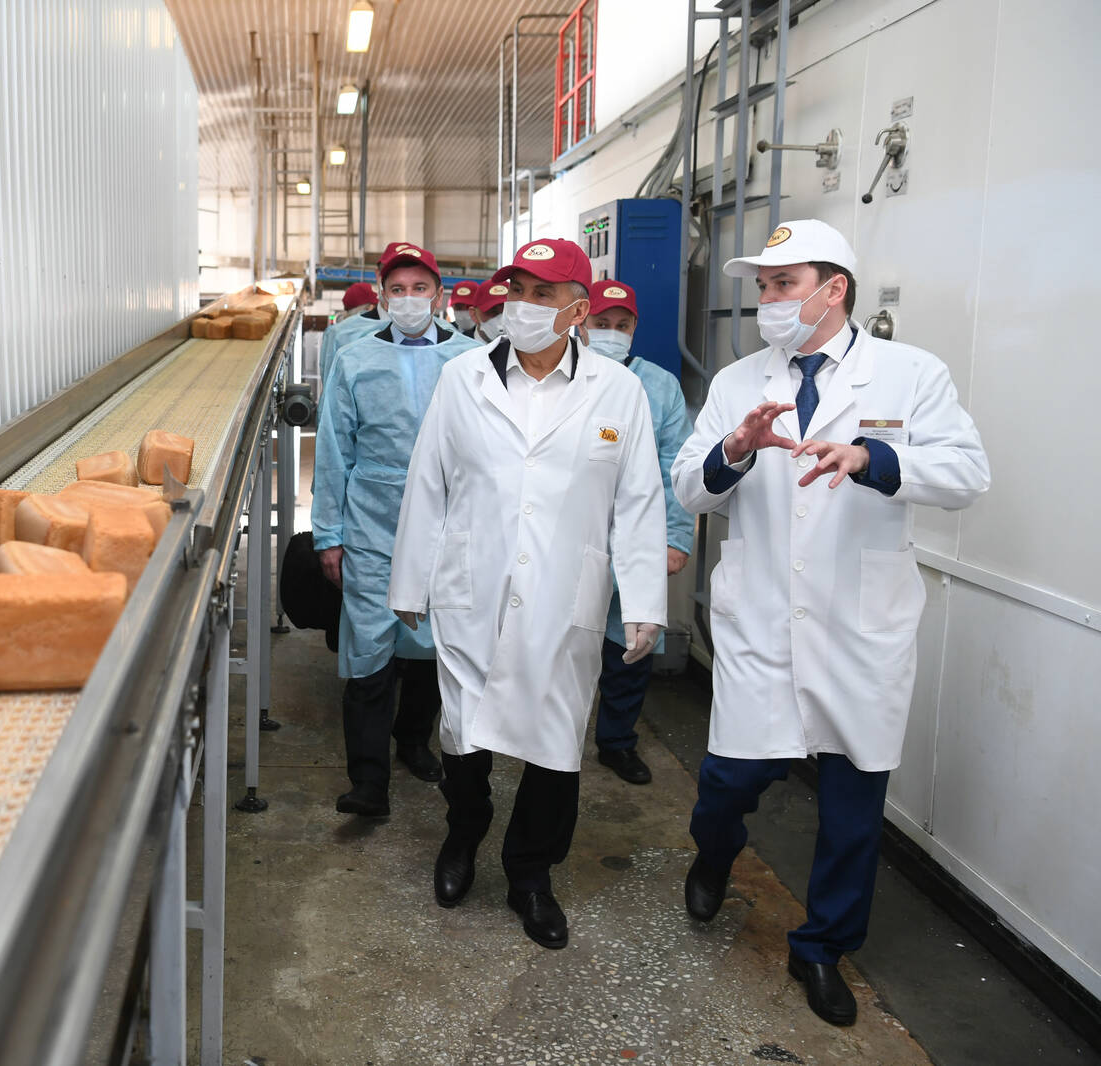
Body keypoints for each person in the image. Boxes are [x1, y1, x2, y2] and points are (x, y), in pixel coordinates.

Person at [670, 220, 989, 1026]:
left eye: (784, 284)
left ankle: (821, 948)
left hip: (860, 625)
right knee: (729, 780)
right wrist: (734, 451)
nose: (768, 301)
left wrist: (875, 458)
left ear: (834, 288)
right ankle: (714, 854)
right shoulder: (738, 381)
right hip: (760, 618)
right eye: (763, 287)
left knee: (853, 803)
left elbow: (965, 473)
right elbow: (688, 487)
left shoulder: (911, 374)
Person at [387, 238, 668, 949]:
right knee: (463, 731)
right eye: (517, 290)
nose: (524, 305)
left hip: (563, 596)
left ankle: (530, 875)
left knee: (554, 743)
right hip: (472, 584)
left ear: (578, 310)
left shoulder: (618, 391)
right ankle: (464, 830)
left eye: (543, 294)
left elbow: (637, 502)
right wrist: (410, 579)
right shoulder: (463, 377)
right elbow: (428, 481)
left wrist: (643, 602)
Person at [313, 244, 480, 817]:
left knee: (434, 642)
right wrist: (328, 534)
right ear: (383, 298)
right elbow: (334, 451)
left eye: (419, 288)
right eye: (398, 289)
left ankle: (413, 740)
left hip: (447, 522)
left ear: (439, 295)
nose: (409, 299)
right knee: (369, 646)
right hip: (372, 523)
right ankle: (368, 780)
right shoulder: (354, 359)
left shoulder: (471, 358)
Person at [581, 280, 695, 785]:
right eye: (601, 323)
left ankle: (617, 742)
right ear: (582, 323)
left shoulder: (660, 386)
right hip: (573, 532)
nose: (611, 332)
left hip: (637, 532)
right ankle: (550, 737)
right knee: (560, 640)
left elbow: (676, 467)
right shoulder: (564, 377)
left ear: (634, 329)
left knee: (629, 642)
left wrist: (676, 537)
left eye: (621, 325)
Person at [317, 243, 417, 389]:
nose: (402, 282)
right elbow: (332, 395)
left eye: (413, 278)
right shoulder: (341, 336)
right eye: (391, 273)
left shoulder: (444, 338)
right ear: (378, 275)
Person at [469, 275, 509, 343]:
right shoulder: (460, 347)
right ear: (474, 314)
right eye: (493, 311)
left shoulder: (523, 346)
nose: (502, 318)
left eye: (508, 311)